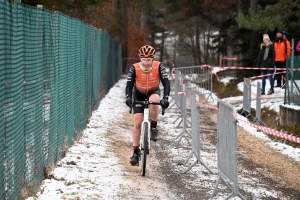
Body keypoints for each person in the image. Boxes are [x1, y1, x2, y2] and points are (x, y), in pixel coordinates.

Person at [125, 45, 170, 166]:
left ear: (152, 59)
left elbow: (166, 83)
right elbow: (129, 85)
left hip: (153, 91)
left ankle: (154, 127)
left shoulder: (159, 66)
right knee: (138, 122)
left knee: (155, 100)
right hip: (139, 94)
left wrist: (166, 98)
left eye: (148, 60)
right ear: (140, 59)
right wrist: (128, 97)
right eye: (143, 60)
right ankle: (135, 152)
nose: (146, 63)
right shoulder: (134, 68)